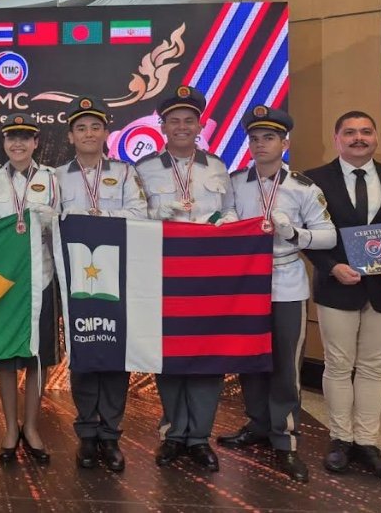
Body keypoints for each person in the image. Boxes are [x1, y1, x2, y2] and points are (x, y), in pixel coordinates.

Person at [216, 106, 336, 482]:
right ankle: (257, 425)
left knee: (285, 364)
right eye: (254, 138)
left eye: (269, 137)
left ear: (285, 142)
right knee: (250, 361)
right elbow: (224, 217)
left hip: (286, 282)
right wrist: (225, 222)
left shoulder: (303, 187)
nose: (261, 144)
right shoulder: (235, 182)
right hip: (245, 283)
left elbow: (329, 234)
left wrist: (296, 235)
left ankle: (285, 439)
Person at [135, 85, 237, 472]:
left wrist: (225, 223)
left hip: (209, 278)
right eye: (173, 120)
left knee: (208, 358)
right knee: (170, 358)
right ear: (162, 126)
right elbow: (135, 221)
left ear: (201, 125)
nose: (181, 126)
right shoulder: (143, 170)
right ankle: (174, 434)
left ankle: (200, 438)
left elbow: (229, 215)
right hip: (164, 276)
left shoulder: (217, 167)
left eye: (188, 120)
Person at [303, 111, 381, 482]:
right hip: (337, 286)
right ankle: (340, 440)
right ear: (337, 139)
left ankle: (367, 441)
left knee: (373, 367)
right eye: (350, 132)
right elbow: (304, 235)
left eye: (366, 132)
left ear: (376, 137)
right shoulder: (313, 181)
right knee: (338, 364)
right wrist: (331, 266)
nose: (358, 138)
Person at [56, 97, 148, 473]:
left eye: (95, 127)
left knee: (113, 351)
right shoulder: (56, 176)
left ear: (106, 133)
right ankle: (87, 434)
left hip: (115, 274)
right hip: (77, 276)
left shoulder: (125, 173)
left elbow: (140, 213)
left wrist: (96, 216)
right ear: (70, 136)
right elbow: (51, 219)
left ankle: (110, 435)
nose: (89, 133)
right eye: (81, 128)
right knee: (84, 352)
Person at [0, 113, 60, 465]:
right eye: (12, 138)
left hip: (40, 276)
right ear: (3, 143)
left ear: (35, 143)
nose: (18, 144)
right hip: (2, 280)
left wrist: (45, 220)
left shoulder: (50, 178)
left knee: (36, 358)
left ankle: (31, 427)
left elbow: (60, 222)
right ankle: (10, 429)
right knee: (5, 357)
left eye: (25, 138)